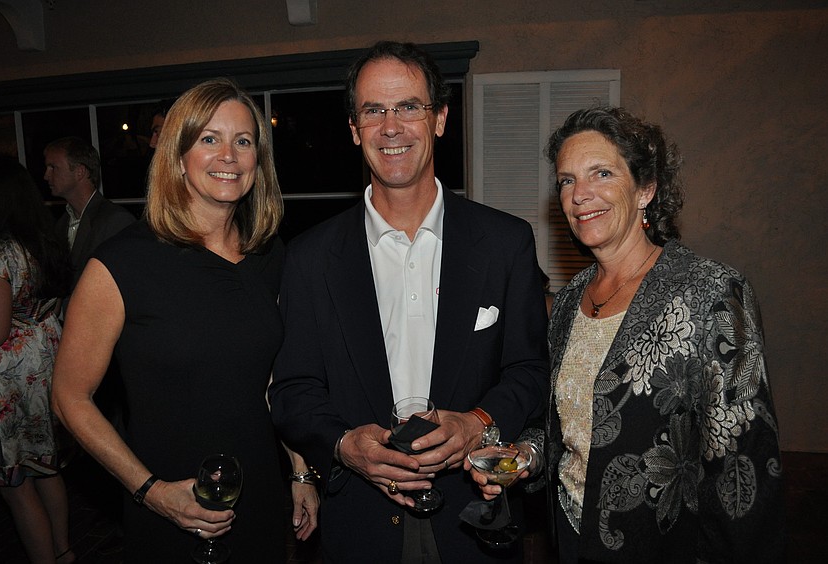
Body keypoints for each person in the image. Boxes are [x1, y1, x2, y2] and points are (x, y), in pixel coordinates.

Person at [269, 41, 549, 563]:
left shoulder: (506, 243)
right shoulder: (310, 257)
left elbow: (530, 369)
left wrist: (478, 421)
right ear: (354, 129)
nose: (390, 127)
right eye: (373, 110)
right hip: (360, 523)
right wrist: (343, 446)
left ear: (439, 118)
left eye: (408, 107)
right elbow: (293, 390)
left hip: (474, 519)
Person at [474, 106, 784, 563]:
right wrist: (528, 454)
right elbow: (567, 427)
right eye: (566, 180)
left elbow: (744, 472)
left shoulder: (710, 291)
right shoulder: (570, 300)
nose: (580, 195)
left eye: (601, 173)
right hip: (571, 537)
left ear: (646, 189)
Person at [51, 78, 318, 562]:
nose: (229, 156)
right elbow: (69, 397)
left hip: (258, 488)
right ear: (177, 157)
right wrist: (151, 491)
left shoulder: (268, 255)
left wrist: (299, 469)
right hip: (167, 496)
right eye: (209, 139)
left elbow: (274, 378)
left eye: (243, 141)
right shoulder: (121, 265)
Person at [0, 157, 75, 563]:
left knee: (15, 485)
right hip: (46, 365)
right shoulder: (44, 239)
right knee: (46, 469)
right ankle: (65, 552)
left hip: (11, 380)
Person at [43, 136, 136, 293]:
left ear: (80, 172)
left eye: (53, 167)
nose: (46, 175)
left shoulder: (115, 221)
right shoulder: (61, 224)